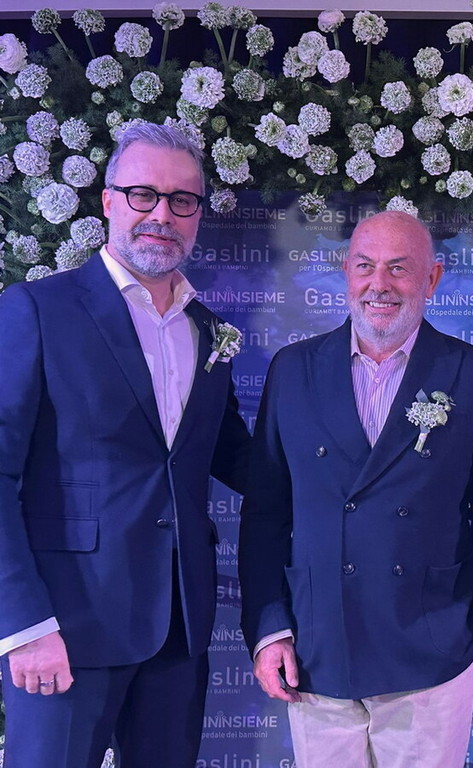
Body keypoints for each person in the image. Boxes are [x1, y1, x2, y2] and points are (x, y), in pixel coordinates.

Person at [0, 122, 251, 767]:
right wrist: (23, 626)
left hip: (178, 630)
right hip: (64, 630)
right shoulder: (37, 310)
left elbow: (236, 458)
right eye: (144, 194)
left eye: (182, 200)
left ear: (198, 214)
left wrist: (347, 458)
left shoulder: (209, 330)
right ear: (109, 201)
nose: (162, 215)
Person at [238, 210, 473, 768]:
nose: (379, 284)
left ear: (432, 279)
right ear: (346, 272)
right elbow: (266, 514)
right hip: (316, 647)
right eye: (365, 266)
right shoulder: (294, 370)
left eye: (399, 268)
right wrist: (269, 628)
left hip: (432, 647)